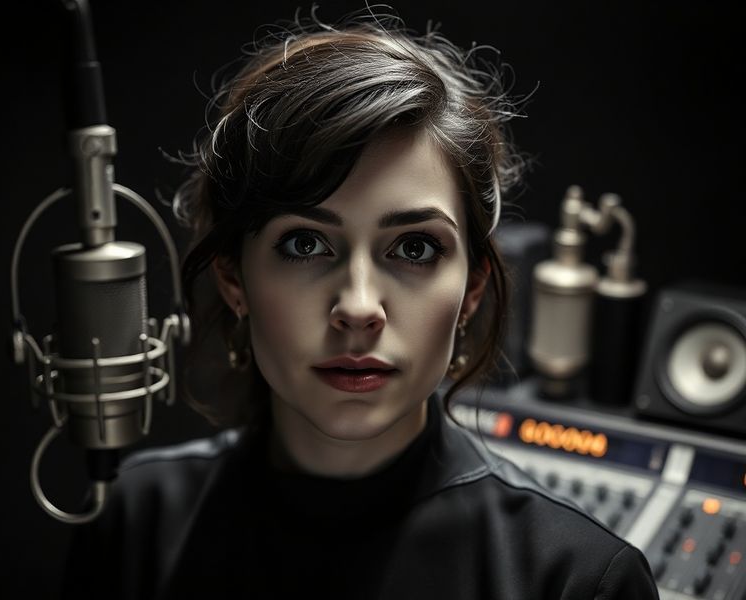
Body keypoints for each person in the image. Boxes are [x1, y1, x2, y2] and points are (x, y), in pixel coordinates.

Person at [62, 7, 659, 600]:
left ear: (473, 289)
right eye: (304, 243)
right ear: (233, 279)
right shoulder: (137, 523)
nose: (358, 307)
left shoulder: (577, 581)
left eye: (415, 247)